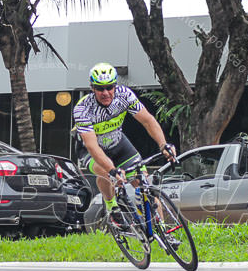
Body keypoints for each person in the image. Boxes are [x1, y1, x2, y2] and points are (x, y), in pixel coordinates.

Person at [72, 62, 176, 225]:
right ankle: (112, 208)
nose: (105, 92)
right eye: (100, 88)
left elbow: (148, 121)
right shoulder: (83, 108)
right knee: (106, 174)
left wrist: (164, 145)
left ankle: (163, 231)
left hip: (118, 142)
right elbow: (92, 145)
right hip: (90, 149)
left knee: (145, 184)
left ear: (115, 85)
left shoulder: (125, 95)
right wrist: (112, 170)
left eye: (110, 87)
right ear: (92, 88)